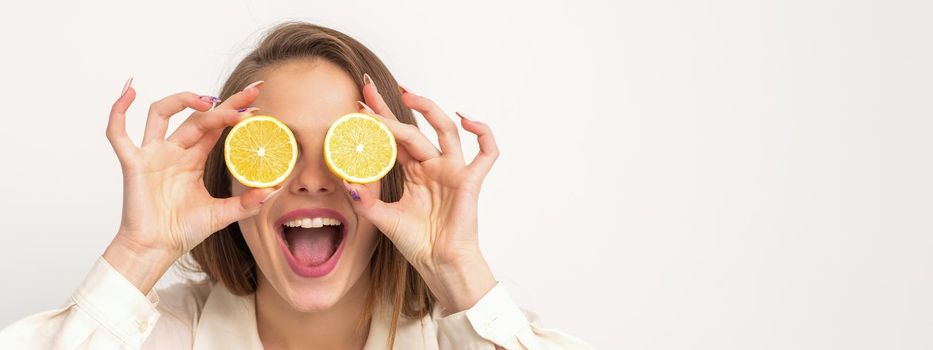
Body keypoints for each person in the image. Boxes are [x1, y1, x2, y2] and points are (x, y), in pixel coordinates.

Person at [0, 22, 593, 349]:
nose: (312, 179)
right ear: (227, 174)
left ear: (392, 176)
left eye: (346, 148)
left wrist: (457, 267)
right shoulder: (161, 339)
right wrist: (139, 253)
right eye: (275, 151)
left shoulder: (459, 337)